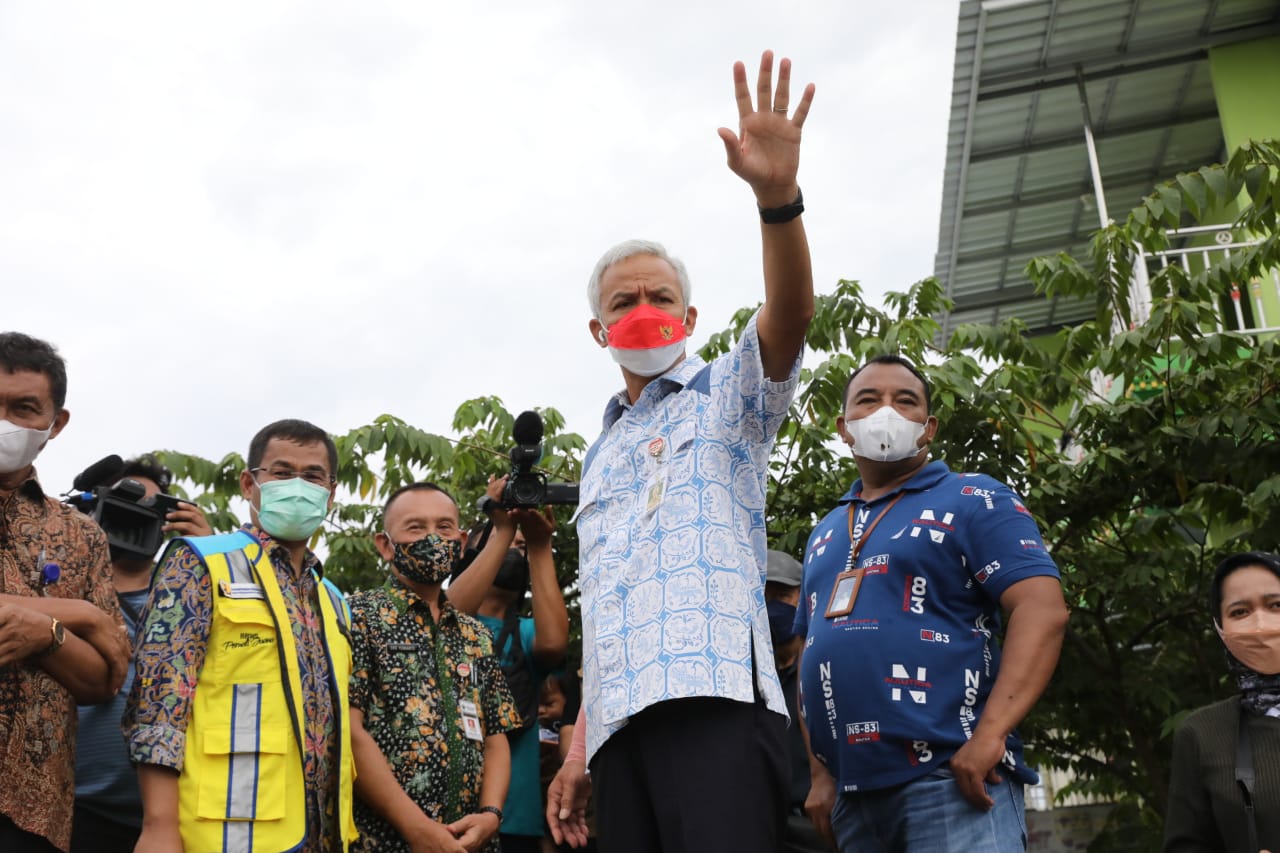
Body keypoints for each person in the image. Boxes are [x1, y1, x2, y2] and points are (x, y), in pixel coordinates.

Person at [546, 50, 817, 853]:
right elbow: (608, 607)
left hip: (717, 707)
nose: (643, 312)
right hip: (618, 730)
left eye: (659, 298)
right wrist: (577, 743)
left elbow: (791, 315)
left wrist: (778, 202)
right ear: (600, 330)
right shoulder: (597, 459)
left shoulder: (725, 399)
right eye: (623, 303)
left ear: (690, 317)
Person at [796, 355, 1069, 853]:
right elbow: (807, 651)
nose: (887, 411)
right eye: (868, 399)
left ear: (928, 428)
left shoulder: (973, 497)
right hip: (851, 797)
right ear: (843, 427)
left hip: (951, 777)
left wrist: (990, 736)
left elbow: (1042, 609)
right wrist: (818, 772)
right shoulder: (824, 532)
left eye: (905, 401)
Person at [123, 419, 358, 853]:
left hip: (320, 836)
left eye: (312, 476)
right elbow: (159, 702)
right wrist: (159, 826)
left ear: (331, 493)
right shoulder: (200, 561)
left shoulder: (334, 599)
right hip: (221, 835)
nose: (297, 485)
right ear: (250, 483)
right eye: (282, 472)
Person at [0, 331, 127, 853]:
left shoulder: (79, 533)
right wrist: (80, 614)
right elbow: (99, 634)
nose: (5, 421)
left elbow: (103, 680)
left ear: (56, 423)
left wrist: (47, 634)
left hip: (36, 814)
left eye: (23, 408)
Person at [348, 482, 520, 853]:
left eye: (444, 528)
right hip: (385, 841)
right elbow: (349, 731)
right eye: (415, 527)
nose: (432, 537)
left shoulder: (474, 633)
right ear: (384, 545)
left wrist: (491, 814)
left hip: (473, 841)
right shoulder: (358, 617)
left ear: (460, 543)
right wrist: (417, 828)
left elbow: (496, 735)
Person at [70, 455, 212, 853]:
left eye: (151, 507)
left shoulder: (193, 601)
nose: (134, 514)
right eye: (123, 501)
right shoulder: (60, 593)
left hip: (176, 815)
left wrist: (210, 560)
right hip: (75, 811)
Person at [448, 493, 569, 853]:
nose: (513, 548)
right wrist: (502, 529)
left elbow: (554, 645)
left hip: (515, 817)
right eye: (504, 540)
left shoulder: (528, 634)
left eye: (520, 544)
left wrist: (540, 545)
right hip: (446, 814)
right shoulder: (444, 622)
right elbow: (447, 621)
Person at [1164, 551, 1280, 852]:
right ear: (1221, 628)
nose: (1260, 625)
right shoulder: (1203, 733)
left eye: (1276, 605)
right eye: (1240, 612)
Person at [764, 549, 829, 853]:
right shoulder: (749, 684)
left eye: (782, 595)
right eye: (764, 598)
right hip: (763, 828)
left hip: (820, 821)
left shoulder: (825, 670)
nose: (772, 606)